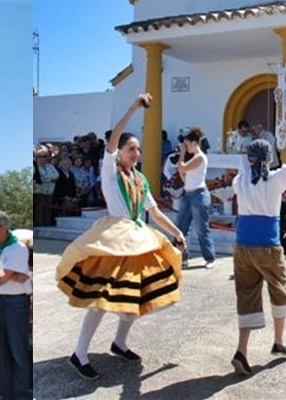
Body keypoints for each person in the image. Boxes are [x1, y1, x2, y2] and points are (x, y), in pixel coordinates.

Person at [55, 93, 186, 380]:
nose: (135, 153)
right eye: (131, 148)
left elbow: (154, 212)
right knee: (102, 299)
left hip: (137, 240)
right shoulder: (111, 172)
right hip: (114, 239)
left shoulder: (140, 179)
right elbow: (112, 139)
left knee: (134, 295)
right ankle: (79, 354)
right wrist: (134, 107)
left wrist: (176, 232)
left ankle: (120, 343)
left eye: (137, 149)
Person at [229, 104, 286, 375]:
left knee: (246, 295)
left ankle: (242, 350)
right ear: (268, 158)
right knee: (279, 290)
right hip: (267, 245)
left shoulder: (239, 182)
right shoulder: (276, 180)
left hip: (242, 246)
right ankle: (278, 342)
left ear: (249, 158)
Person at [0, 211, 31, 400]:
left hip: (14, 304)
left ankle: (21, 394)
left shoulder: (17, 248)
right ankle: (5, 393)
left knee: (18, 352)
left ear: (4, 228)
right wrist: (5, 275)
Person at [175, 126, 216, 269]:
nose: (186, 147)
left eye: (187, 144)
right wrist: (182, 164)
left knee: (201, 228)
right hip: (188, 194)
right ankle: (182, 257)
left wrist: (181, 153)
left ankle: (210, 258)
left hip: (199, 195)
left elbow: (183, 168)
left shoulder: (200, 157)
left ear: (193, 143)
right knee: (181, 227)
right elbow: (183, 173)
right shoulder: (193, 158)